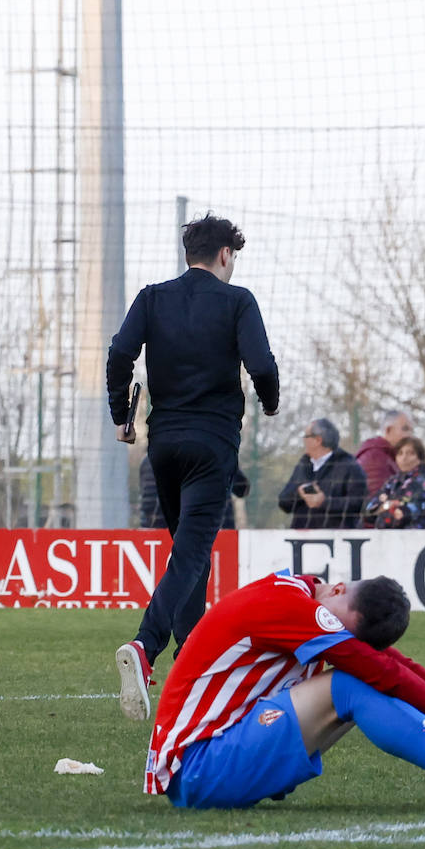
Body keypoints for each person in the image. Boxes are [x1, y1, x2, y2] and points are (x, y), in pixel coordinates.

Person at [143, 570, 425, 810]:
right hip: (198, 765)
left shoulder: (308, 603)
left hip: (219, 757)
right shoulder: (287, 604)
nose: (342, 644)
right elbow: (379, 672)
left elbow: (397, 666)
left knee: (362, 675)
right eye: (343, 634)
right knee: (349, 681)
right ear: (337, 589)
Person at [106, 213, 279, 722]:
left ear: (189, 254)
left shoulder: (151, 297)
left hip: (164, 444)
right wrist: (269, 402)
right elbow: (262, 365)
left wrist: (122, 416)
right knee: (191, 554)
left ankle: (193, 662)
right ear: (226, 254)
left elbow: (119, 353)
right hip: (212, 442)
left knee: (189, 554)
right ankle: (145, 645)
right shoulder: (237, 300)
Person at [278, 419, 368, 529]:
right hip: (302, 540)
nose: (303, 441)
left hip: (337, 540)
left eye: (306, 436)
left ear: (317, 440)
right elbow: (283, 502)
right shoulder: (304, 465)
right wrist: (299, 493)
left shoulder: (350, 466)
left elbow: (359, 504)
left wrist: (324, 502)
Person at [140, 455, 250, 530]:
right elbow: (243, 489)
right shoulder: (216, 453)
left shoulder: (146, 461)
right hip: (215, 530)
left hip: (151, 529)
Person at [363, 436, 425, 529]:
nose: (404, 457)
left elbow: (405, 513)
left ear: (420, 457)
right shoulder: (393, 481)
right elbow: (370, 509)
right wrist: (389, 506)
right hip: (390, 538)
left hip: (421, 538)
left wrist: (387, 507)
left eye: (410, 453)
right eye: (400, 453)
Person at [356, 410, 415, 500]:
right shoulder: (375, 458)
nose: (410, 436)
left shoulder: (390, 457)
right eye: (405, 429)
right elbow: (377, 502)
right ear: (388, 430)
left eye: (411, 431)